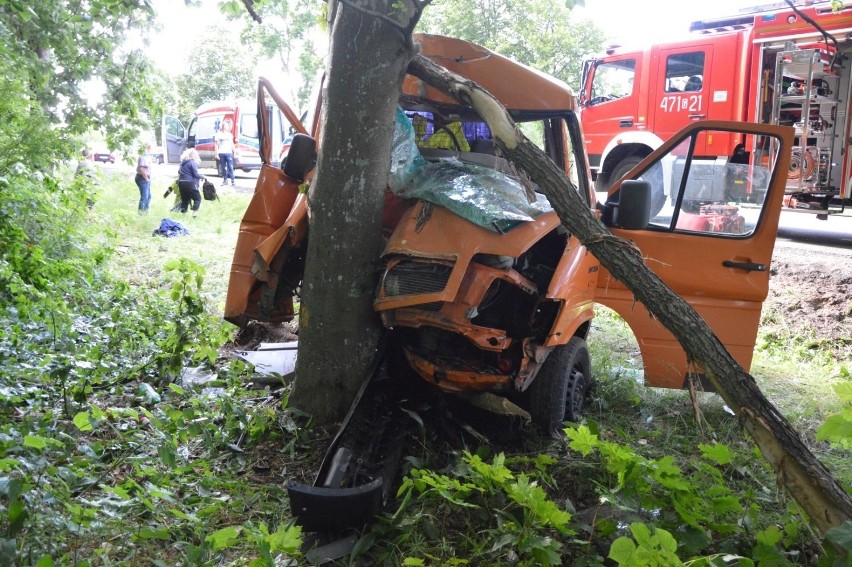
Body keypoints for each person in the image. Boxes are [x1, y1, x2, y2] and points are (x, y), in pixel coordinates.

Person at [177, 148, 205, 217]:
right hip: (189, 183)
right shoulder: (192, 162)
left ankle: (183, 215)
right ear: (192, 155)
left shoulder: (182, 163)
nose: (196, 156)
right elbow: (195, 174)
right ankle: (194, 215)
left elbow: (179, 172)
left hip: (181, 182)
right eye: (195, 154)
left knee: (185, 199)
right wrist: (203, 177)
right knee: (197, 198)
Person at [214, 119, 236, 186]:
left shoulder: (229, 135)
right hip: (221, 152)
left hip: (228, 152)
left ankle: (232, 180)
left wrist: (234, 152)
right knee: (223, 167)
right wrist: (216, 154)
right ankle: (225, 180)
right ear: (223, 127)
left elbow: (232, 144)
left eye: (227, 126)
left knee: (230, 166)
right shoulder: (218, 135)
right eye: (225, 126)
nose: (227, 127)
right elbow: (216, 145)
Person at [135, 144, 154, 213]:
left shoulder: (146, 155)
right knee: (144, 197)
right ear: (148, 147)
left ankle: (145, 212)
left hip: (144, 177)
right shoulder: (144, 156)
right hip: (142, 178)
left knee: (148, 196)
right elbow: (141, 169)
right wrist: (146, 178)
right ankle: (141, 213)